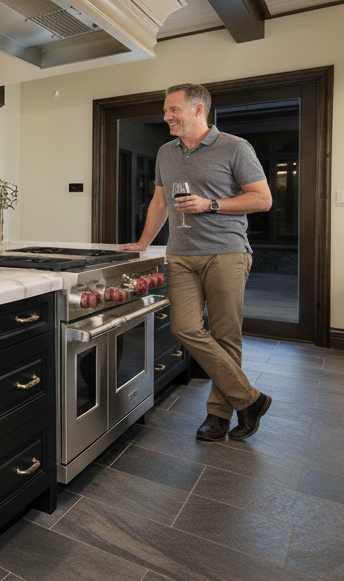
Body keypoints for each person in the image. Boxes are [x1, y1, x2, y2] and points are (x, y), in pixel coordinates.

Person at [118, 84, 274, 441]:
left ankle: (218, 416)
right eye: (165, 110)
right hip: (181, 254)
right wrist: (143, 243)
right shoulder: (165, 152)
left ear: (198, 109)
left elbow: (262, 199)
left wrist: (211, 204)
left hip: (226, 252)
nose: (166, 116)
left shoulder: (235, 147)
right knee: (184, 328)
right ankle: (250, 399)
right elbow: (160, 202)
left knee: (225, 335)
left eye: (173, 110)